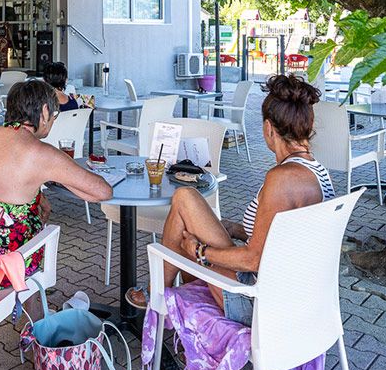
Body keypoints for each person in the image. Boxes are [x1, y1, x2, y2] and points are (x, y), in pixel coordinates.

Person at [124, 74, 334, 320]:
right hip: (290, 295)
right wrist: (234, 229)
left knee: (184, 205)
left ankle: (159, 296)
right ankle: (167, 299)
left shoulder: (282, 179)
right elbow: (284, 235)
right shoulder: (317, 172)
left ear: (268, 128)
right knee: (186, 200)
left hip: (256, 300)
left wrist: (200, 251)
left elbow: (253, 260)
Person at [0, 80, 112, 278]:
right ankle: (29, 301)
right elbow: (103, 192)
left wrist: (39, 194)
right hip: (4, 265)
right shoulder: (41, 153)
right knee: (36, 236)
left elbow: (4, 179)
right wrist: (60, 173)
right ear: (45, 112)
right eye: (54, 115)